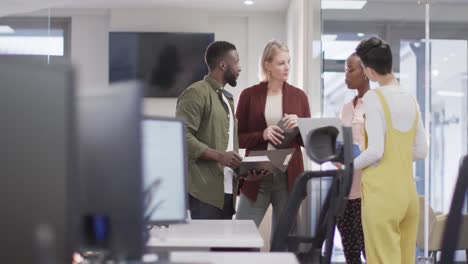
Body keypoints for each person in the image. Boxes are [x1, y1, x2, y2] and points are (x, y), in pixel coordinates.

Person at [354, 37, 428, 263]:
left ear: (368, 70)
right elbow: (421, 151)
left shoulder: (373, 98)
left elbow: (375, 151)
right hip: (408, 197)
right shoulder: (410, 99)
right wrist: (396, 156)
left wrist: (349, 167)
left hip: (382, 198)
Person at [235, 40, 311, 234]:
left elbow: (308, 142)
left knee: (285, 240)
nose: (287, 68)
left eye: (288, 62)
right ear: (267, 65)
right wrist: (263, 134)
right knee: (241, 234)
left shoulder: (299, 96)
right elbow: (237, 138)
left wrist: (301, 124)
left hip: (288, 177)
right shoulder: (249, 95)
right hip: (257, 175)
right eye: (281, 63)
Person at [176, 41, 242, 220]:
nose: (240, 67)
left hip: (227, 191)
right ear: (223, 65)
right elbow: (181, 137)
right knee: (205, 248)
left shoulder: (227, 99)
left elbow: (227, 147)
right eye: (236, 61)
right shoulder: (196, 93)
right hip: (203, 192)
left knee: (223, 248)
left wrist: (243, 170)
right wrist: (220, 156)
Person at [336, 53, 369, 264]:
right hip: (344, 189)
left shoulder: (375, 106)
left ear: (366, 72)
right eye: (345, 69)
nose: (346, 75)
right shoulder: (346, 107)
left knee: (369, 250)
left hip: (366, 191)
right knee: (350, 252)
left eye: (351, 69)